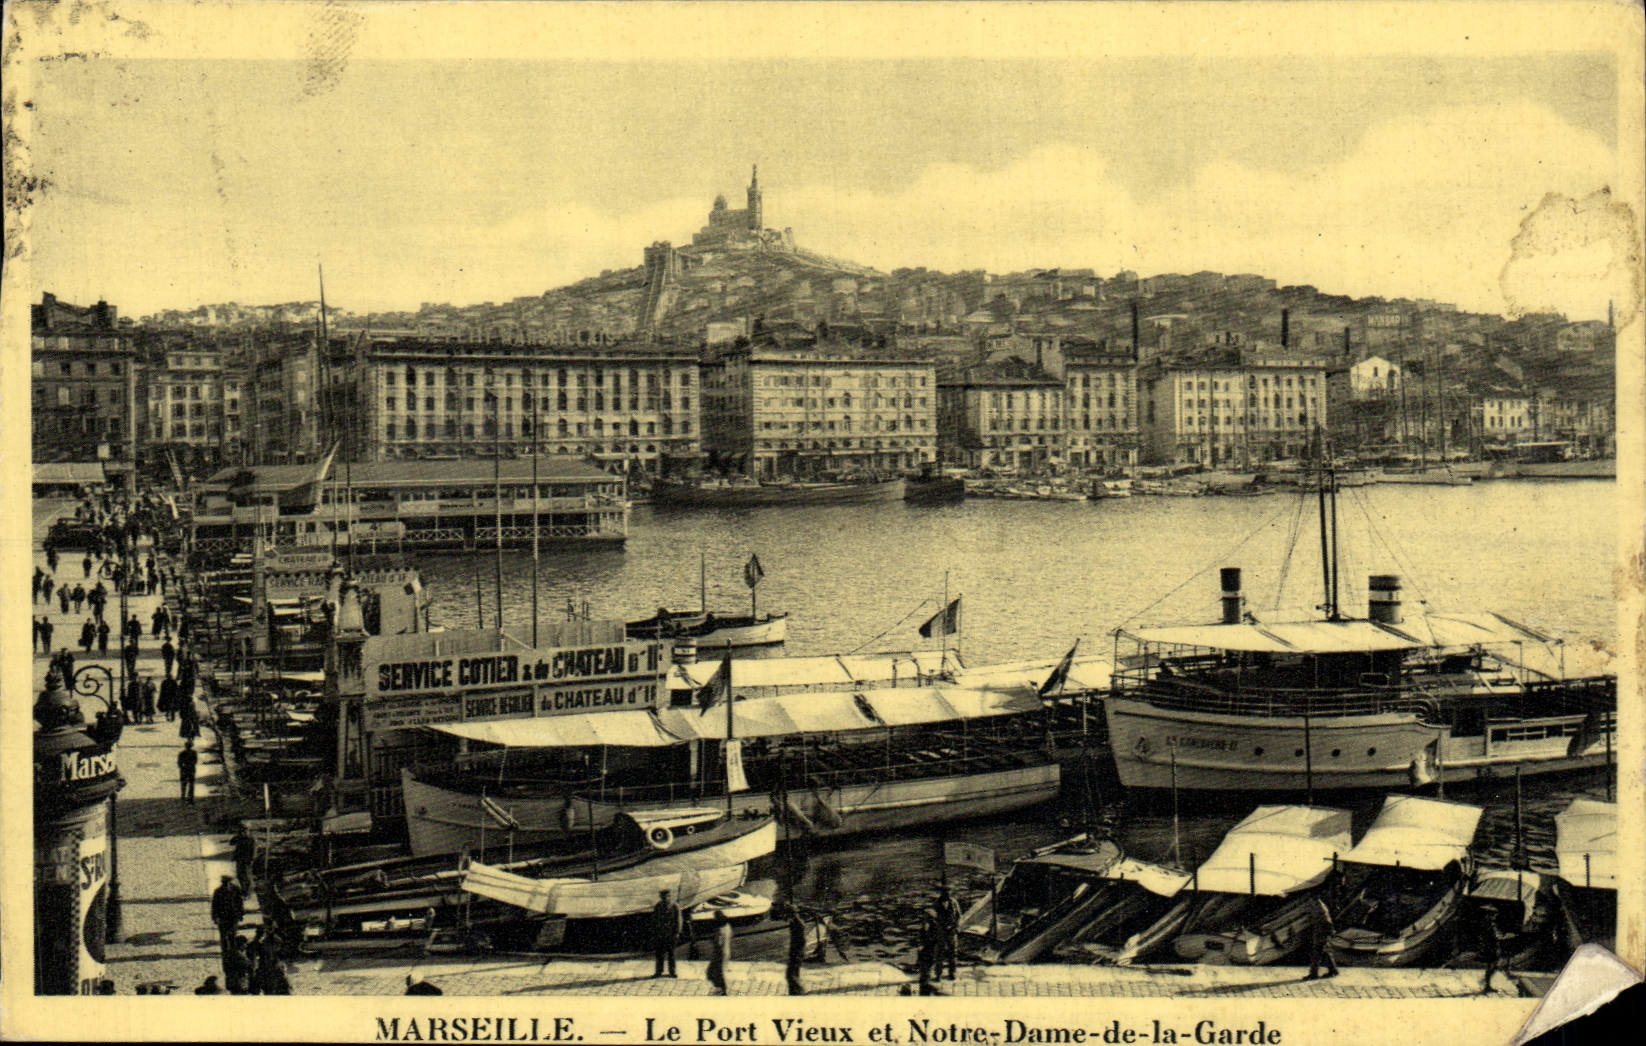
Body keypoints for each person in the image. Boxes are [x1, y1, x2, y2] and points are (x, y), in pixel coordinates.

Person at [1305, 894, 1339, 980]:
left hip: (1321, 932)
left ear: (1313, 899)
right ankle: (1333, 970)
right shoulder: (1319, 906)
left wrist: (1329, 931)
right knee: (1324, 952)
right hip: (1321, 931)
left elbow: (1326, 920)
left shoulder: (1319, 907)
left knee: (1317, 952)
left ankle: (1313, 974)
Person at [1480, 906, 1512, 995]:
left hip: (1488, 947)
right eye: (1494, 915)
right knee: (1492, 966)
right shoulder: (1491, 925)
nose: (1495, 916)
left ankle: (1487, 985)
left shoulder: (1485, 923)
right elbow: (1498, 936)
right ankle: (1487, 985)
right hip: (1491, 948)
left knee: (1491, 966)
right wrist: (1508, 936)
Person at [211, 875, 244, 960]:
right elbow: (214, 905)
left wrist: (241, 913)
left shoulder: (235, 890)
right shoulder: (218, 891)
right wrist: (215, 917)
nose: (226, 884)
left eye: (227, 882)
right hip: (222, 916)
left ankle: (233, 951)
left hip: (233, 916)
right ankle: (225, 952)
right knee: (223, 935)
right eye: (224, 883)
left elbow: (240, 902)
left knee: (232, 934)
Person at [650, 889, 682, 978]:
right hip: (660, 934)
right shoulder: (658, 906)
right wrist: (654, 932)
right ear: (660, 897)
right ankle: (658, 971)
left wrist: (677, 932)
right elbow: (654, 920)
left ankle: (672, 972)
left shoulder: (675, 906)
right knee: (659, 953)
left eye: (667, 896)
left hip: (671, 934)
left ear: (670, 896)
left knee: (671, 954)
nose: (665, 898)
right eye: (663, 897)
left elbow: (679, 920)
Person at [936, 885, 961, 980]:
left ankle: (952, 973)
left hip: (952, 931)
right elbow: (933, 917)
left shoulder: (954, 902)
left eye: (949, 892)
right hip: (941, 931)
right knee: (939, 953)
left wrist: (955, 926)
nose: (947, 894)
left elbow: (958, 915)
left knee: (953, 952)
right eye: (945, 892)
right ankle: (938, 973)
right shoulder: (936, 903)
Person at [706, 909, 732, 996]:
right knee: (719, 972)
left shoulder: (720, 930)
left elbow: (718, 943)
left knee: (712, 972)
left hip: (719, 953)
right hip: (727, 951)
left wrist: (712, 939)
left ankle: (722, 990)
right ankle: (721, 989)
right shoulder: (727, 927)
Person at [785, 906, 808, 996]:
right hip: (797, 948)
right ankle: (797, 990)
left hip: (797, 948)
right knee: (794, 968)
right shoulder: (797, 921)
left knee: (793, 969)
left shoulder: (794, 921)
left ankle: (795, 990)